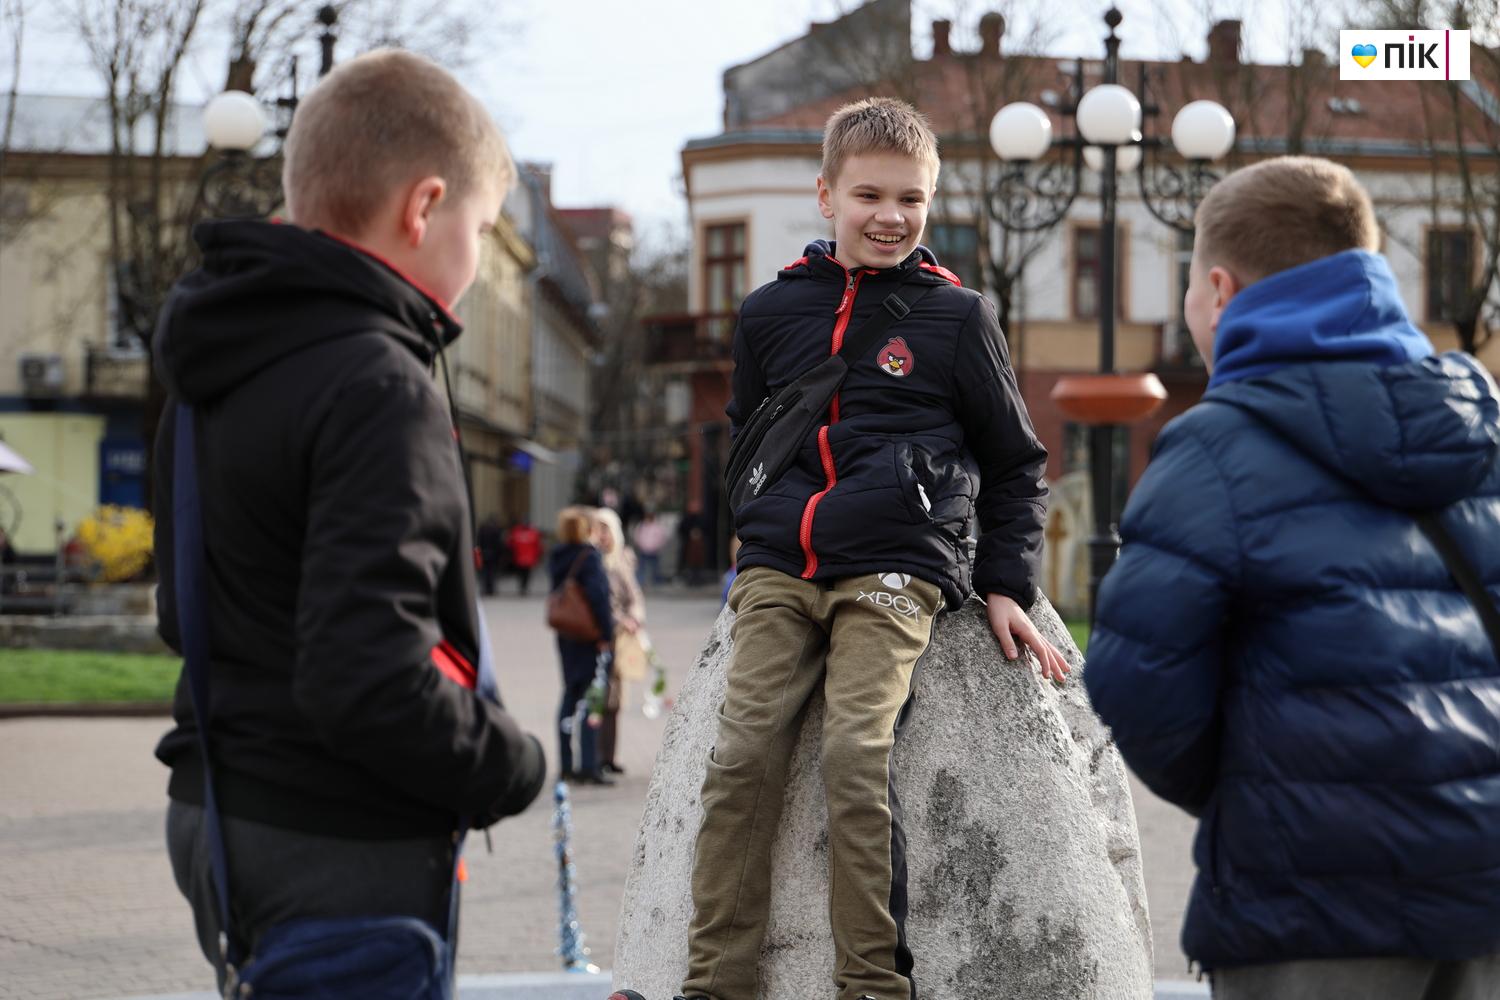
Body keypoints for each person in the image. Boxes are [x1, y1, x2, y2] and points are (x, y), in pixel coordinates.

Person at [627, 97, 1066, 1000]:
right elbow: (752, 439)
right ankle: (715, 984)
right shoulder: (769, 312)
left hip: (898, 567)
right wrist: (754, 545)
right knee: (742, 752)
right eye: (869, 194)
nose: (890, 216)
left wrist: (1006, 583)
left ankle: (871, 983)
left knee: (854, 754)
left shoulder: (958, 317)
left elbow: (1017, 464)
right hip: (781, 568)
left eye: (911, 199)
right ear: (826, 195)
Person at [150, 50, 547, 989]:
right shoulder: (378, 384)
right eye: (481, 228)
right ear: (423, 207)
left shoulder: (217, 359)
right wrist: (513, 765)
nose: (478, 256)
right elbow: (366, 676)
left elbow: (188, 606)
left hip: (218, 810)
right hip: (337, 842)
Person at [1084, 157, 1500, 999]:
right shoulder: (1477, 424)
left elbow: (1137, 684)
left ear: (1223, 290)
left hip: (1311, 901)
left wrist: (1264, 796)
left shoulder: (1212, 448)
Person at [548, 505, 615, 786]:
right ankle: (588, 765)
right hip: (590, 637)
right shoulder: (589, 557)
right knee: (592, 698)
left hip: (566, 634)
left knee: (569, 695)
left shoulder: (557, 555)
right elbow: (599, 597)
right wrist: (606, 634)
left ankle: (566, 764)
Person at [592, 506, 647, 776]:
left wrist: (635, 617)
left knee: (615, 701)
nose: (601, 535)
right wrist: (618, 619)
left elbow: (634, 595)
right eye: (597, 528)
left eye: (606, 529)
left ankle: (609, 757)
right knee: (596, 698)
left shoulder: (623, 559)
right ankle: (592, 757)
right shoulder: (590, 559)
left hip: (620, 639)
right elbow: (598, 603)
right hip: (598, 636)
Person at [506, 517, 542, 595]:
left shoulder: (518, 532)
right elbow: (538, 546)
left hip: (522, 557)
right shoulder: (531, 532)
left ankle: (523, 587)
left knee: (523, 574)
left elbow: (510, 544)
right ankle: (523, 587)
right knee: (525, 574)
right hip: (525, 558)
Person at [631, 510, 667, 587]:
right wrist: (640, 544)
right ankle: (640, 581)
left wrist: (656, 546)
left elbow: (661, 538)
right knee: (641, 567)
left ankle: (656, 580)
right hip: (643, 550)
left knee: (655, 567)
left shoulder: (657, 527)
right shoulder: (641, 526)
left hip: (654, 551)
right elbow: (637, 536)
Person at [476, 514, 504, 597]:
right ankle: (490, 589)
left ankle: (485, 588)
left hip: (484, 553)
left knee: (484, 572)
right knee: (492, 572)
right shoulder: (496, 530)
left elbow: (479, 542)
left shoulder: (482, 529)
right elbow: (499, 544)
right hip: (493, 554)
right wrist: (500, 554)